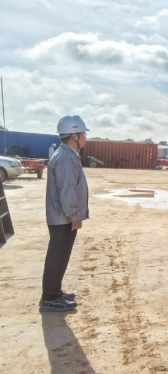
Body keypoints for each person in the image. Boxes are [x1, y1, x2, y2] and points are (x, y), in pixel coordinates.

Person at [41, 115, 90, 312]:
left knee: (60, 256)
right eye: (83, 134)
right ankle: (50, 298)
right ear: (74, 136)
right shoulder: (67, 157)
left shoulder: (65, 154)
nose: (86, 138)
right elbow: (67, 189)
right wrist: (75, 215)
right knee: (57, 256)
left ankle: (54, 292)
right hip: (63, 217)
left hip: (61, 216)